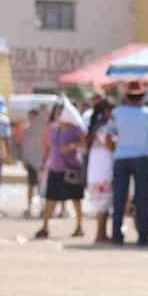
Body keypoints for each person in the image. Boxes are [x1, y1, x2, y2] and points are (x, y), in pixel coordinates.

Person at [106, 82, 148, 246]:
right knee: (142, 199)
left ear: (126, 97)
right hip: (141, 158)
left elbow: (109, 136)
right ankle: (143, 236)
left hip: (121, 158)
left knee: (119, 198)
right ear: (142, 97)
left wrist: (115, 150)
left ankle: (116, 235)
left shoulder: (117, 113)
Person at [34, 101, 86, 239]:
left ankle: (79, 226)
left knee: (76, 199)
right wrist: (44, 161)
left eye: (60, 112)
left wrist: (72, 146)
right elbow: (48, 146)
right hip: (55, 168)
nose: (57, 115)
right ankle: (45, 227)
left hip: (71, 168)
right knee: (50, 199)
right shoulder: (53, 128)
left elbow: (86, 143)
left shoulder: (76, 129)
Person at [86, 99, 115, 243]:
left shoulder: (94, 127)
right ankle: (100, 234)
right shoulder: (105, 127)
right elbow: (110, 145)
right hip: (104, 167)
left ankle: (102, 233)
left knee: (100, 204)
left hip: (95, 168)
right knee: (104, 203)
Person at [21, 108, 47, 218]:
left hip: (41, 161)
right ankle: (29, 208)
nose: (30, 119)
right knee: (31, 186)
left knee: (42, 186)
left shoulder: (43, 129)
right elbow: (24, 145)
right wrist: (24, 159)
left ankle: (43, 209)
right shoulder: (26, 129)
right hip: (31, 161)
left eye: (32, 116)